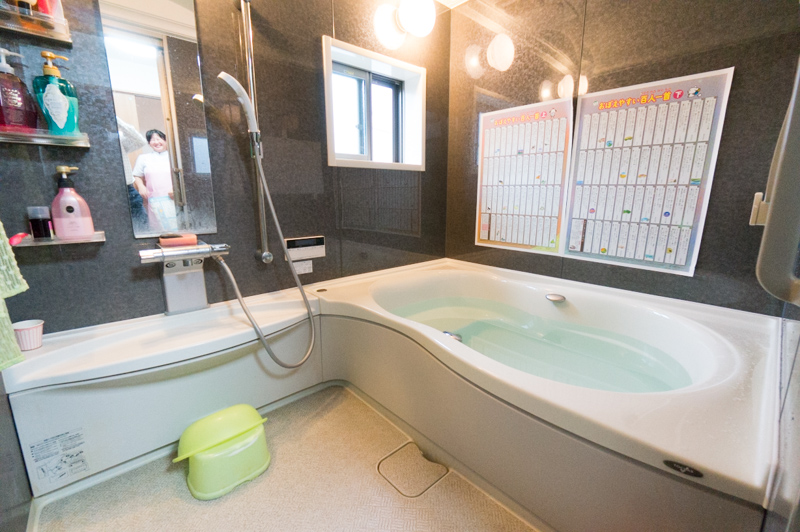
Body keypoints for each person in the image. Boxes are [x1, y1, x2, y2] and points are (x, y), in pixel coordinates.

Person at [132, 129, 178, 233]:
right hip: (154, 199)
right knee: (158, 229)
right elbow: (136, 175)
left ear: (165, 140)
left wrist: (176, 189)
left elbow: (182, 175)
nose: (156, 142)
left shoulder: (174, 157)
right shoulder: (143, 158)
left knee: (175, 227)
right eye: (152, 140)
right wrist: (141, 187)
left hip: (173, 197)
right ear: (149, 143)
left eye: (159, 139)